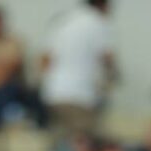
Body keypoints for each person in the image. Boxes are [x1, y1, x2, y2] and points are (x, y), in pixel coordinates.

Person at [39, 0, 116, 138]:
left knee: (62, 143)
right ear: (102, 4)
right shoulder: (97, 22)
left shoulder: (64, 20)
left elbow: (45, 59)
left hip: (53, 94)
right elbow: (108, 58)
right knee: (83, 147)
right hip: (79, 96)